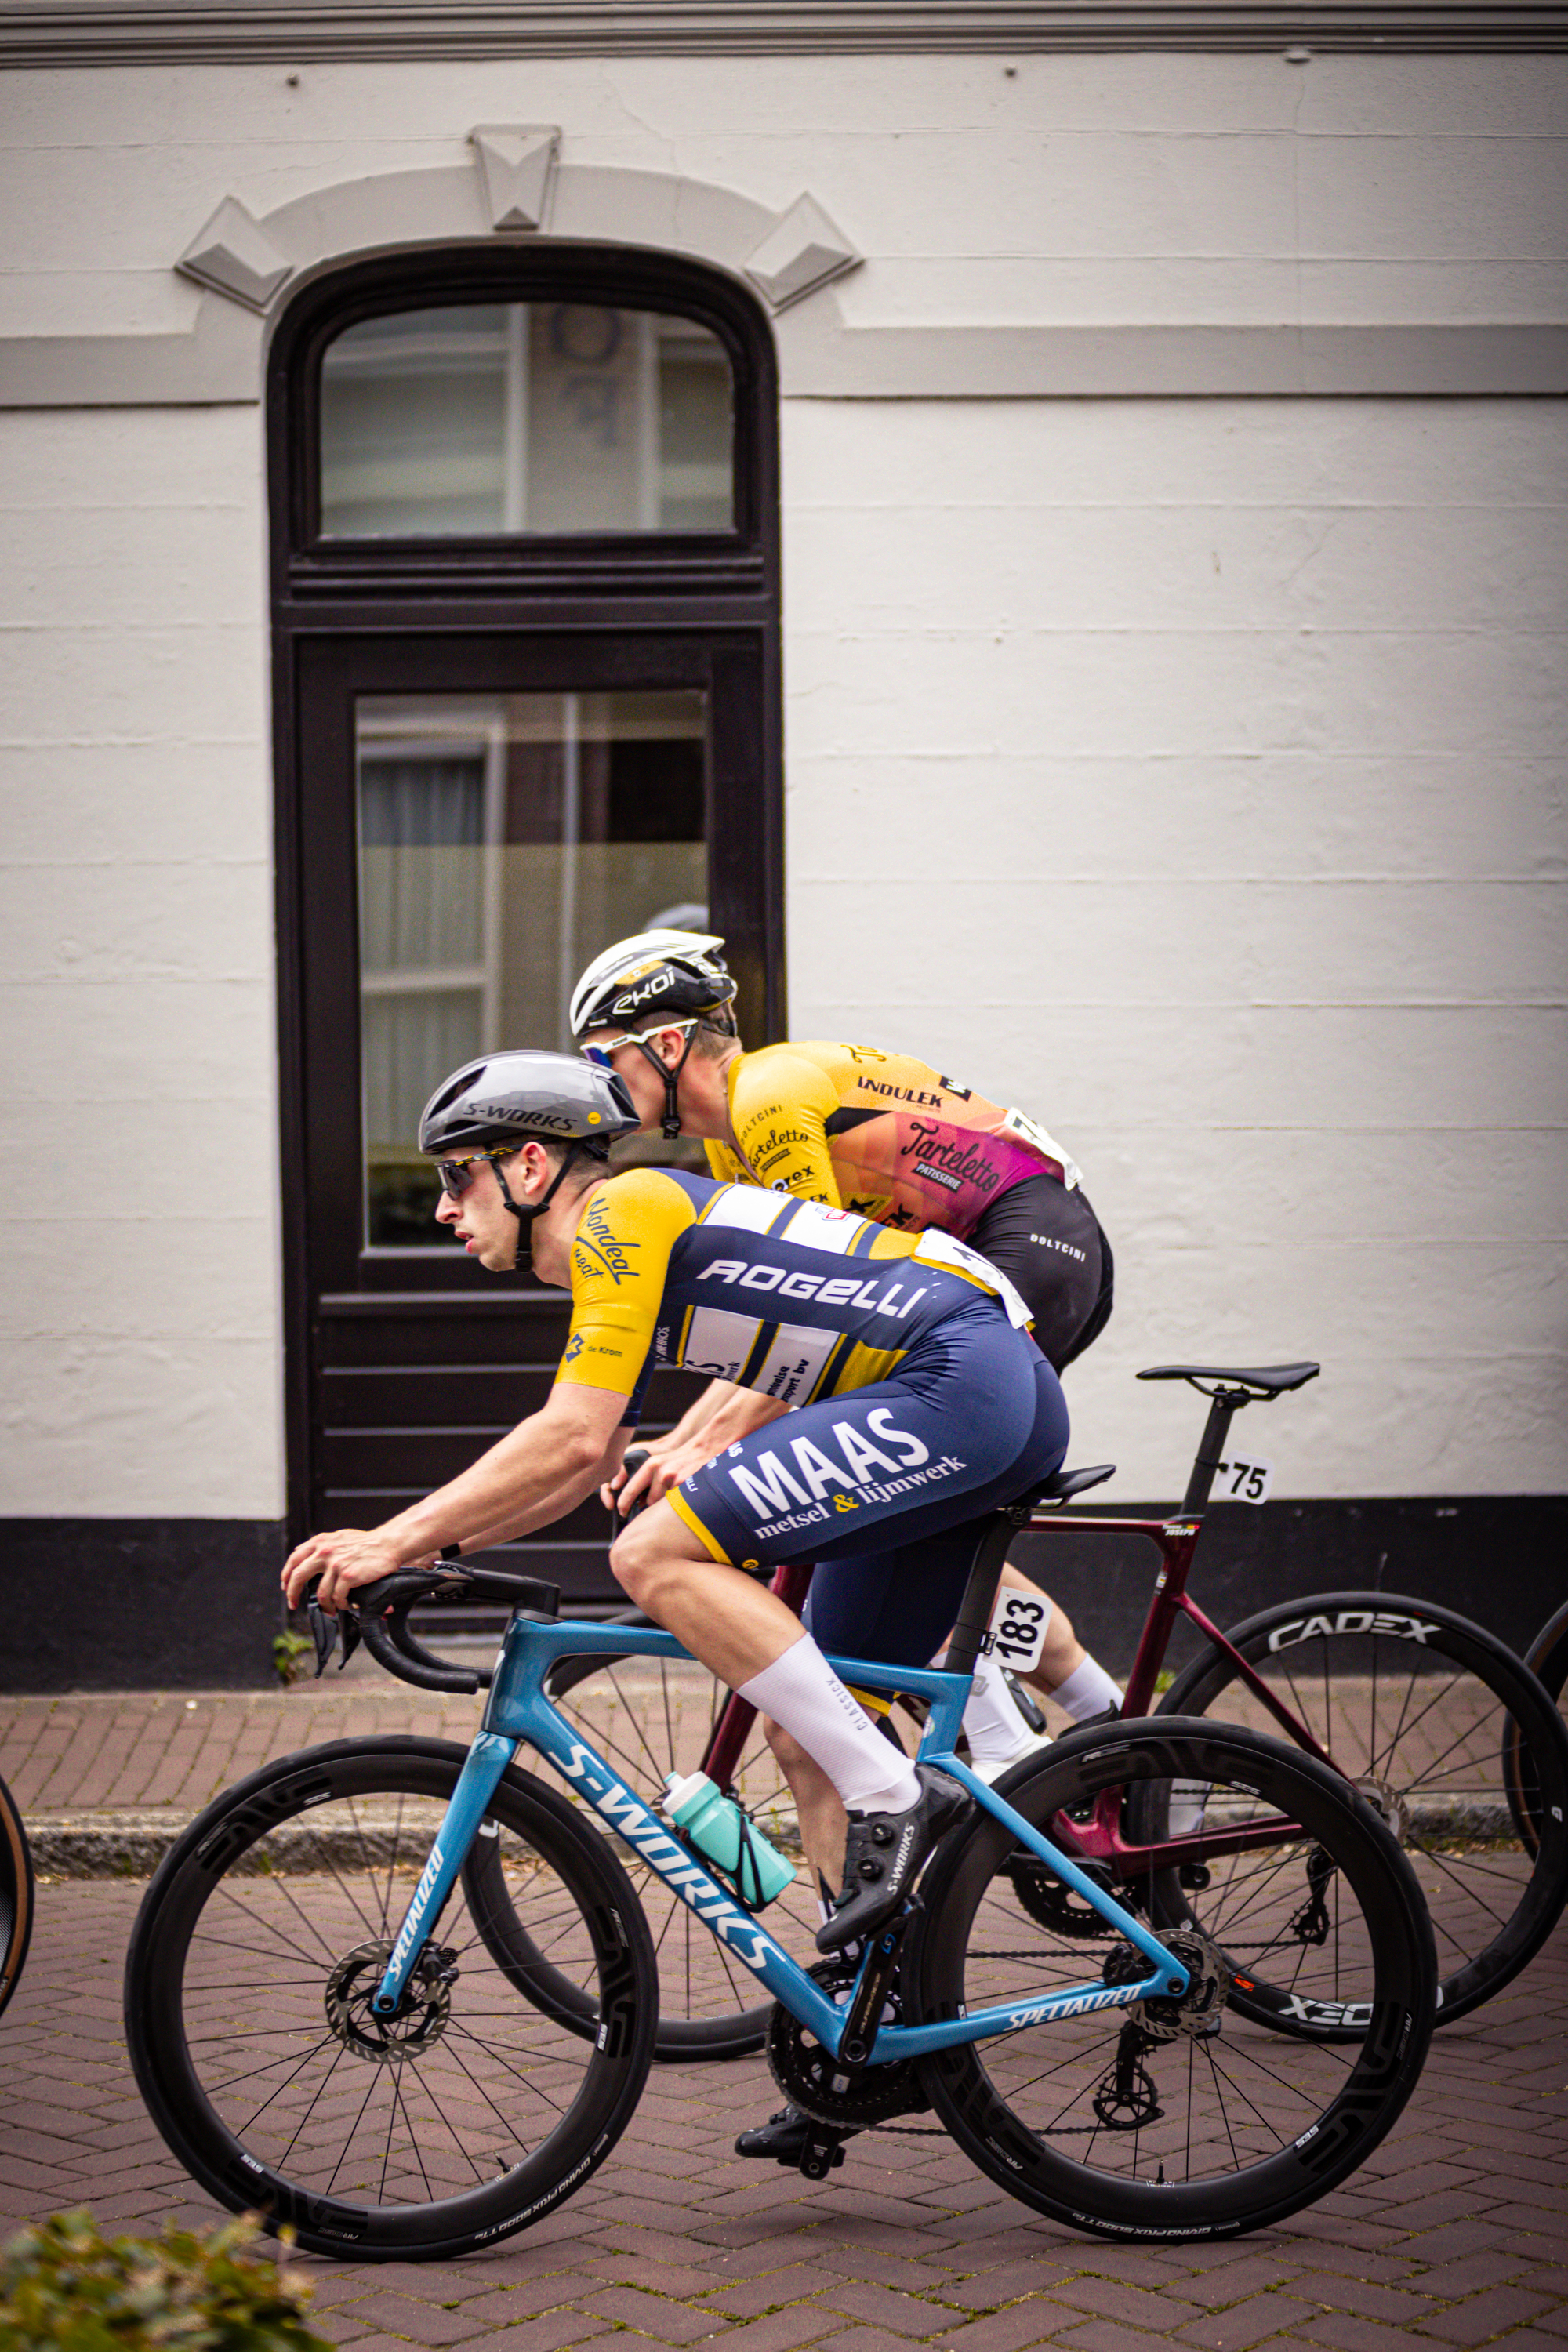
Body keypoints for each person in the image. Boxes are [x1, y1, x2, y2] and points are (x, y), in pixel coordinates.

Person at [281, 1050, 1070, 1978]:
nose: (447, 1207)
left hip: (958, 1383)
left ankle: (899, 1792)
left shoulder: (620, 1215)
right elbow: (587, 1464)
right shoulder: (623, 1241)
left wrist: (389, 1540)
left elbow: (570, 1439)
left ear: (530, 1167)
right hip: (977, 1390)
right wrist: (427, 1550)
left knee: (653, 1555)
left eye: (460, 1176)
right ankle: (873, 2027)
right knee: (810, 1733)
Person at [569, 930, 1125, 1740]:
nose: (596, 1087)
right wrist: (684, 1439)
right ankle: (1091, 1715)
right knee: (917, 1508)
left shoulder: (763, 1100)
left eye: (600, 1059)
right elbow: (787, 1329)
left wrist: (707, 1446)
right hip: (982, 1264)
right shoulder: (727, 1146)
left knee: (883, 1492)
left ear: (663, 1042)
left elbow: (821, 1314)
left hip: (1028, 1242)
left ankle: (1006, 1734)